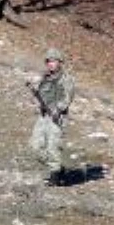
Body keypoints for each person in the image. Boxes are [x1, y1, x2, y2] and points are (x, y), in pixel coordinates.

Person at [25, 48, 76, 185]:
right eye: (48, 61)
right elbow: (41, 94)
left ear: (60, 62)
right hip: (43, 116)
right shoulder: (44, 78)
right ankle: (58, 169)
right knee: (35, 147)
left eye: (53, 60)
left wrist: (58, 109)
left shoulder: (67, 79)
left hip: (57, 117)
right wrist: (34, 90)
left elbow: (67, 97)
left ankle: (55, 177)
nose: (50, 63)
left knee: (53, 147)